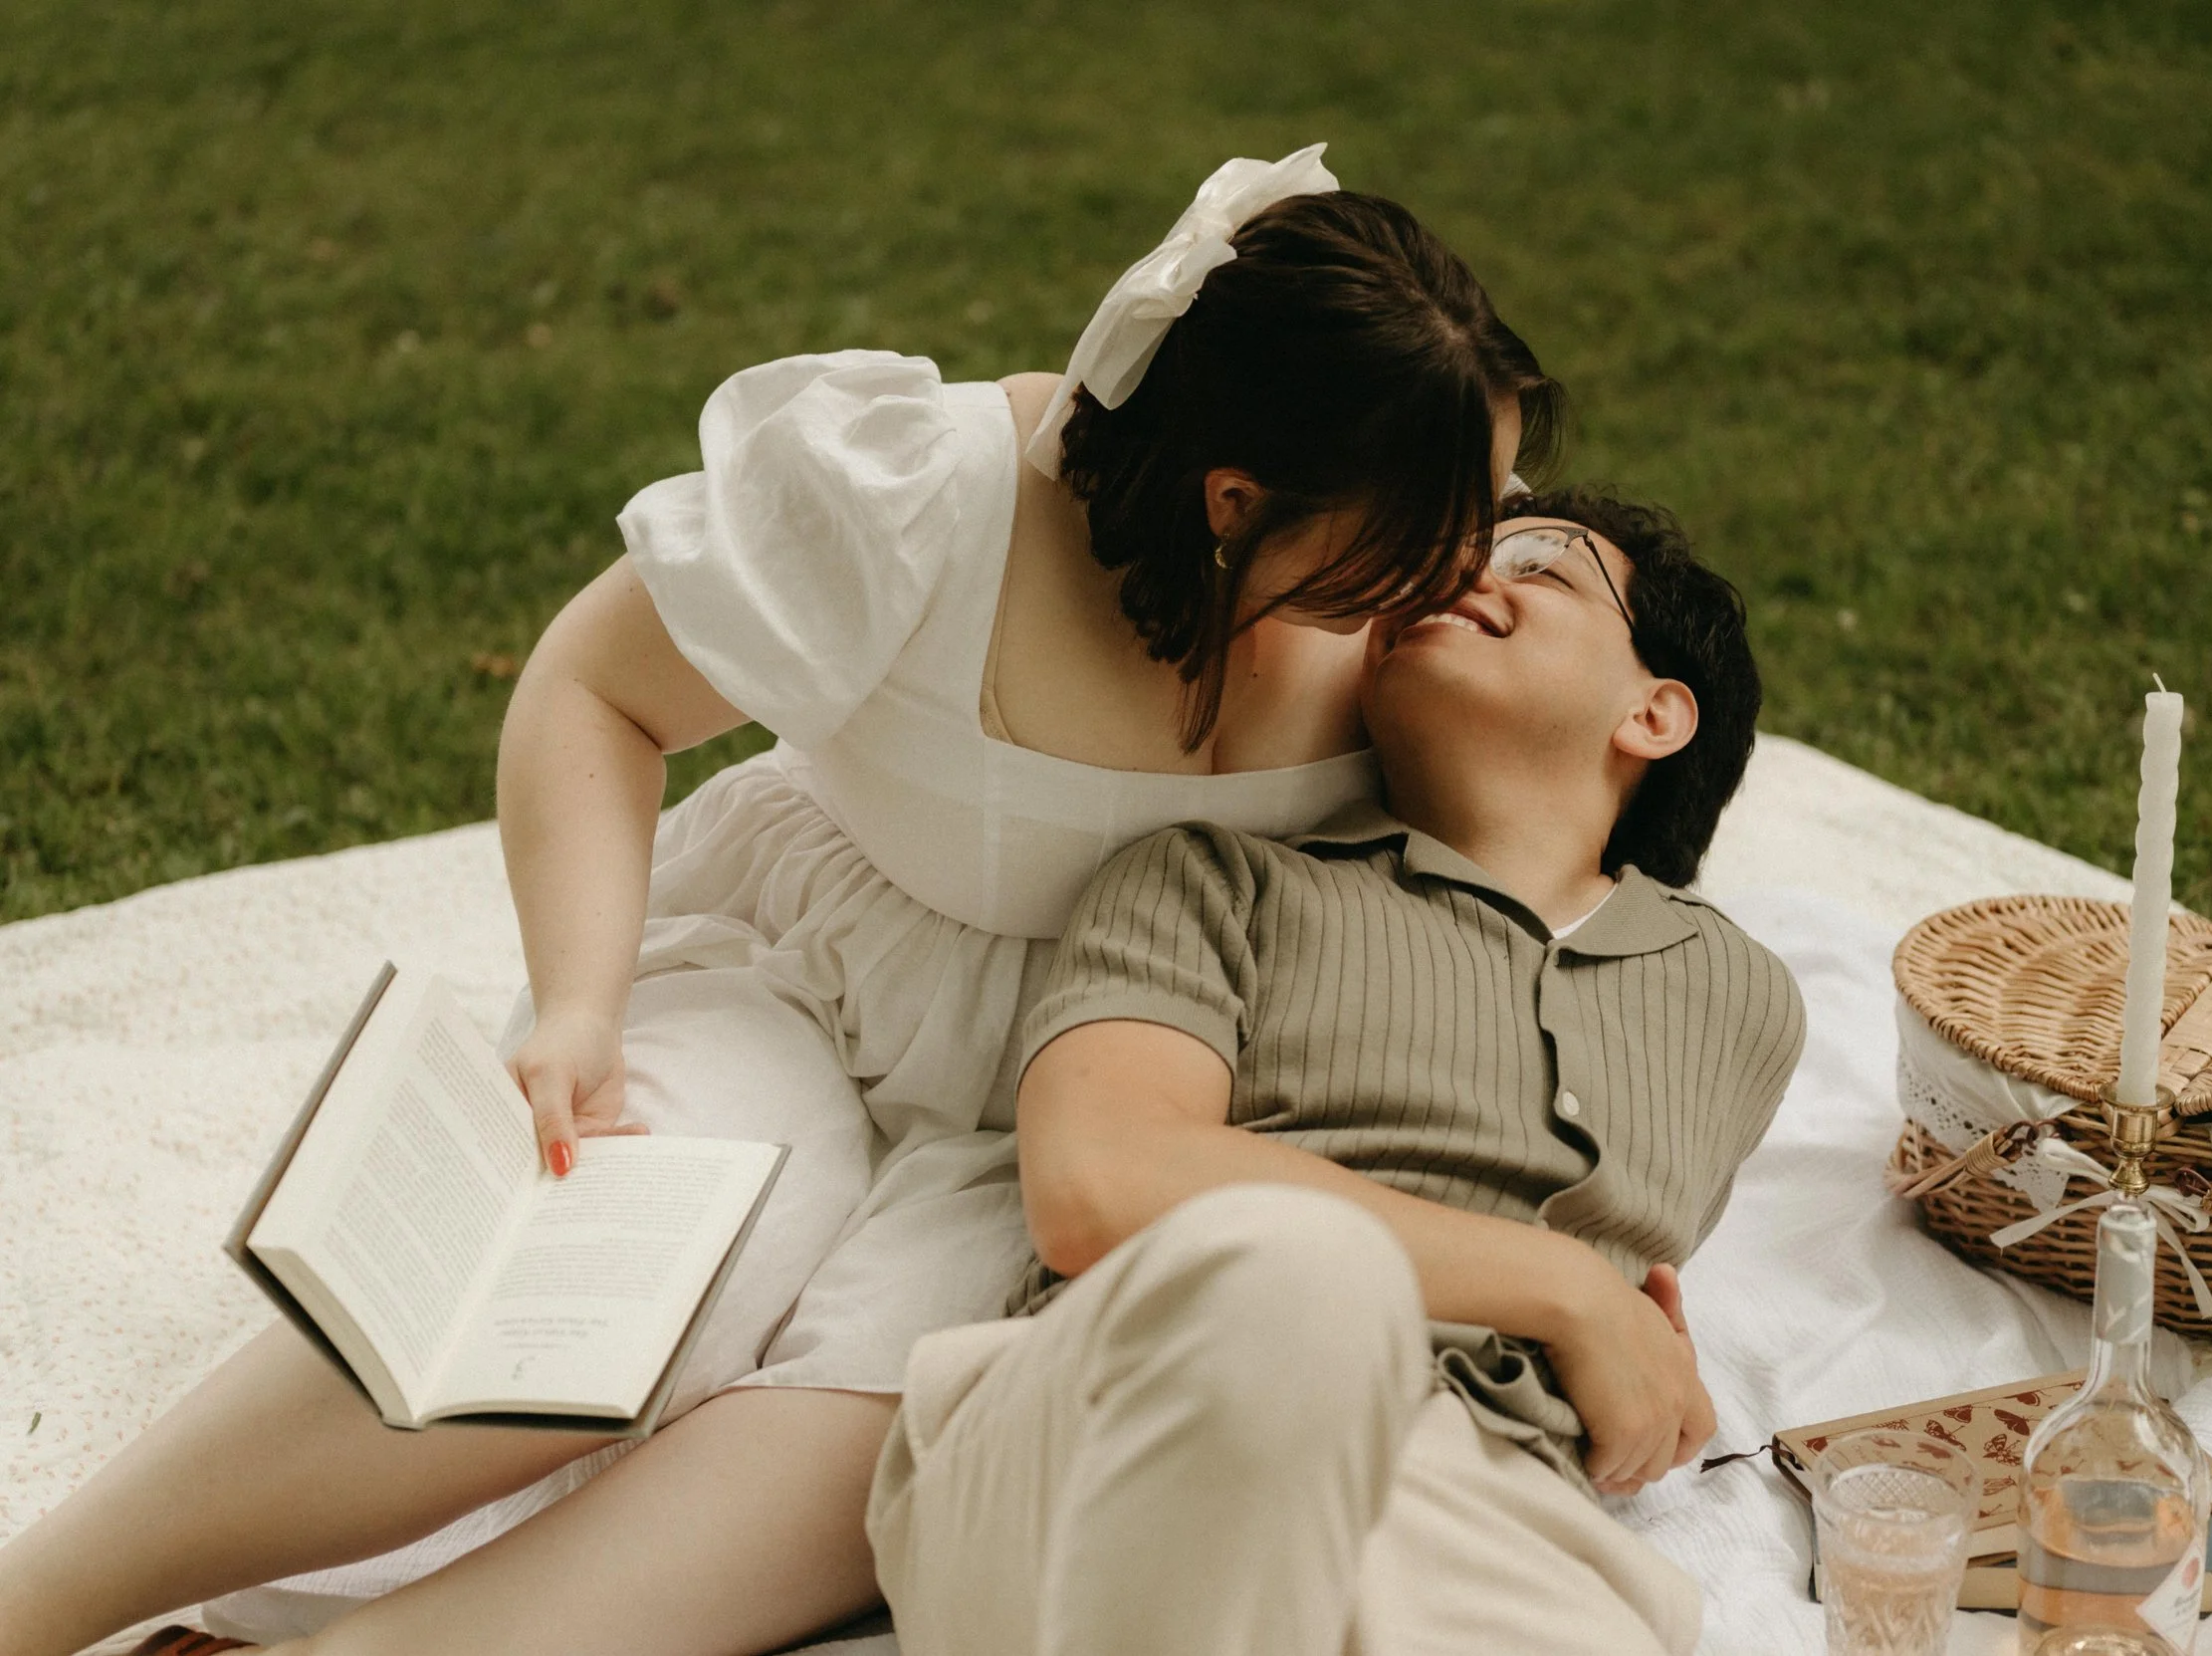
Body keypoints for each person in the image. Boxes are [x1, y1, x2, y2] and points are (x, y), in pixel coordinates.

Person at [0, 147, 1563, 1656]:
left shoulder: (1434, 641)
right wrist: (579, 1000)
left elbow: (1519, 872)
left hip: (1081, 1085)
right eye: (1437, 519)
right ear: (1232, 499)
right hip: (807, 969)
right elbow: (595, 690)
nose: (1483, 553)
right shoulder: (926, 496)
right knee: (614, 1249)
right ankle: (43, 1591)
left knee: (876, 1423)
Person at [866, 487, 1808, 1656]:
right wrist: (1566, 1289)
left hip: (1482, 1507)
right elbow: (1101, 1181)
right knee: (1305, 1276)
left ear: (1657, 715)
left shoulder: (1737, 995)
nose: (1460, 577)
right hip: (1113, 1428)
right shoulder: (1213, 880)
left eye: (1541, 572)